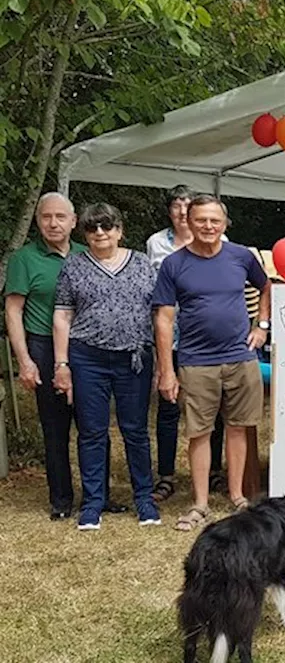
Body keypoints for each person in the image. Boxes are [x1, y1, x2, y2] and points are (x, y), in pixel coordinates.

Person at [154, 195, 271, 532]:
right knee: (199, 432)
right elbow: (163, 319)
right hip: (195, 361)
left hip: (240, 357)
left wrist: (261, 327)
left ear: (224, 224)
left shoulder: (241, 256)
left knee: (238, 427)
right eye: (201, 220)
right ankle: (200, 504)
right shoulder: (174, 264)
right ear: (188, 222)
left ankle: (236, 497)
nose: (208, 227)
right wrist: (166, 370)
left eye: (214, 221)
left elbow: (266, 287)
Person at [52, 203, 161, 530]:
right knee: (92, 431)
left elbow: (160, 314)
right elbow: (62, 315)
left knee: (136, 431)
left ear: (120, 230)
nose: (100, 233)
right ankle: (93, 502)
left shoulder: (143, 265)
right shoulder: (73, 266)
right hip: (88, 358)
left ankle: (144, 498)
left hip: (134, 358)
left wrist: (162, 362)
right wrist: (62, 363)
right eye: (92, 228)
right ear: (85, 234)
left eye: (107, 227)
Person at [5, 193, 86, 520]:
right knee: (55, 428)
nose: (53, 223)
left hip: (85, 348)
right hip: (43, 345)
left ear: (73, 221)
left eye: (60, 217)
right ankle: (62, 499)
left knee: (92, 426)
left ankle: (98, 495)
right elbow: (13, 312)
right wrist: (24, 360)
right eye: (46, 217)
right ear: (38, 220)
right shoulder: (24, 259)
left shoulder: (86, 254)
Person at [144, 184, 195, 503]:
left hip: (203, 338)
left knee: (211, 408)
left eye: (187, 205)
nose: (182, 211)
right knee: (168, 407)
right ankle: (165, 475)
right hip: (168, 338)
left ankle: (214, 470)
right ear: (169, 211)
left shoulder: (219, 240)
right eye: (176, 205)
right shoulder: (155, 243)